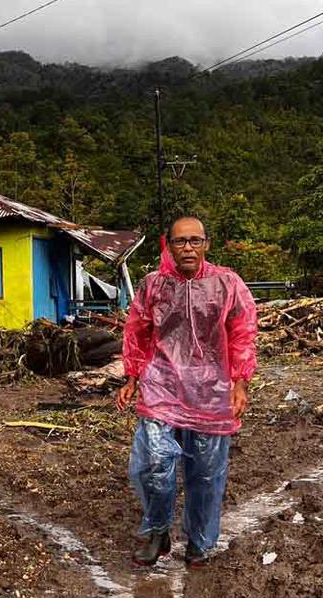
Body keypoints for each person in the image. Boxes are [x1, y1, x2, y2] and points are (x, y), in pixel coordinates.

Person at [115, 217, 258, 568]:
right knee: (153, 463)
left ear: (207, 244)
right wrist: (132, 376)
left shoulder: (227, 283)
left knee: (206, 471)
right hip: (162, 384)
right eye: (180, 242)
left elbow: (243, 332)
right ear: (169, 245)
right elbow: (138, 329)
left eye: (195, 240)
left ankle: (198, 540)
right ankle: (158, 531)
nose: (188, 247)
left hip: (211, 389)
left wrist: (240, 383)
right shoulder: (154, 285)